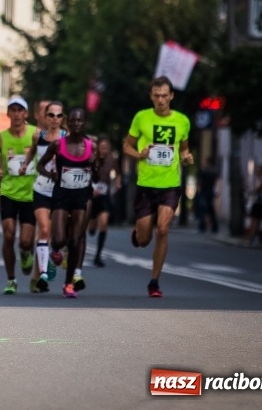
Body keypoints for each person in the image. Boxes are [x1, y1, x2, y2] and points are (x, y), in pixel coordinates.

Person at [123, 75, 194, 298]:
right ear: (151, 96)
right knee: (144, 240)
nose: (161, 100)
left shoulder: (182, 121)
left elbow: (184, 148)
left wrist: (186, 157)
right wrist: (139, 154)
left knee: (162, 229)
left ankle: (154, 282)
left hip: (170, 184)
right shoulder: (141, 117)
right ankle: (139, 233)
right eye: (157, 96)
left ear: (171, 96)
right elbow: (126, 145)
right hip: (146, 184)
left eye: (164, 95)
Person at [37, 107, 97, 298]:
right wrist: (50, 174)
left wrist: (94, 164)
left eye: (79, 120)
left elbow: (96, 173)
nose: (76, 124)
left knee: (75, 240)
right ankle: (55, 249)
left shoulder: (91, 146)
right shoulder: (58, 145)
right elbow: (40, 165)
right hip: (62, 196)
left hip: (81, 196)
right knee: (59, 239)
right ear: (67, 123)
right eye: (72, 120)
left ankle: (68, 283)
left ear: (84, 123)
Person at [0, 96, 37, 295]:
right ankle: (11, 279)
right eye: (12, 110)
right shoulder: (1, 138)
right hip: (8, 193)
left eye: (20, 110)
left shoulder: (35, 135)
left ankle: (26, 252)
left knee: (25, 241)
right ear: (8, 114)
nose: (16, 114)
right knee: (8, 235)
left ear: (26, 114)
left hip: (31, 194)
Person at [20, 100, 65, 292]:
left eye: (58, 115)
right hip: (41, 188)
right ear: (45, 117)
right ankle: (41, 275)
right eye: (51, 115)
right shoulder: (38, 136)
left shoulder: (66, 137)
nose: (55, 119)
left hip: (60, 190)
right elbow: (33, 153)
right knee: (44, 229)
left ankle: (52, 257)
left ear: (63, 118)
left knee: (56, 235)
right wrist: (25, 165)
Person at [87, 135, 122, 267]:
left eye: (106, 147)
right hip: (91, 194)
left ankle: (98, 256)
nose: (104, 150)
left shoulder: (112, 159)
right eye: (102, 147)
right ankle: (91, 224)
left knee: (104, 222)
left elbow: (118, 173)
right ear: (97, 147)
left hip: (104, 195)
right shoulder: (92, 158)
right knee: (91, 228)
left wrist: (117, 182)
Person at [243, 165, 262, 245]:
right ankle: (252, 237)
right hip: (257, 202)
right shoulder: (259, 179)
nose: (257, 173)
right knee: (255, 221)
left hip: (259, 202)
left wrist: (252, 190)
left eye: (258, 171)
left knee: (254, 220)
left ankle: (250, 237)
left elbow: (258, 190)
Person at [196, 157, 219, 234]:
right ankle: (214, 227)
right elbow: (215, 183)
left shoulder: (204, 171)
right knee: (210, 209)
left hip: (204, 192)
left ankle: (203, 226)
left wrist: (199, 189)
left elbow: (199, 182)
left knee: (203, 209)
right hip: (210, 192)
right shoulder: (213, 172)